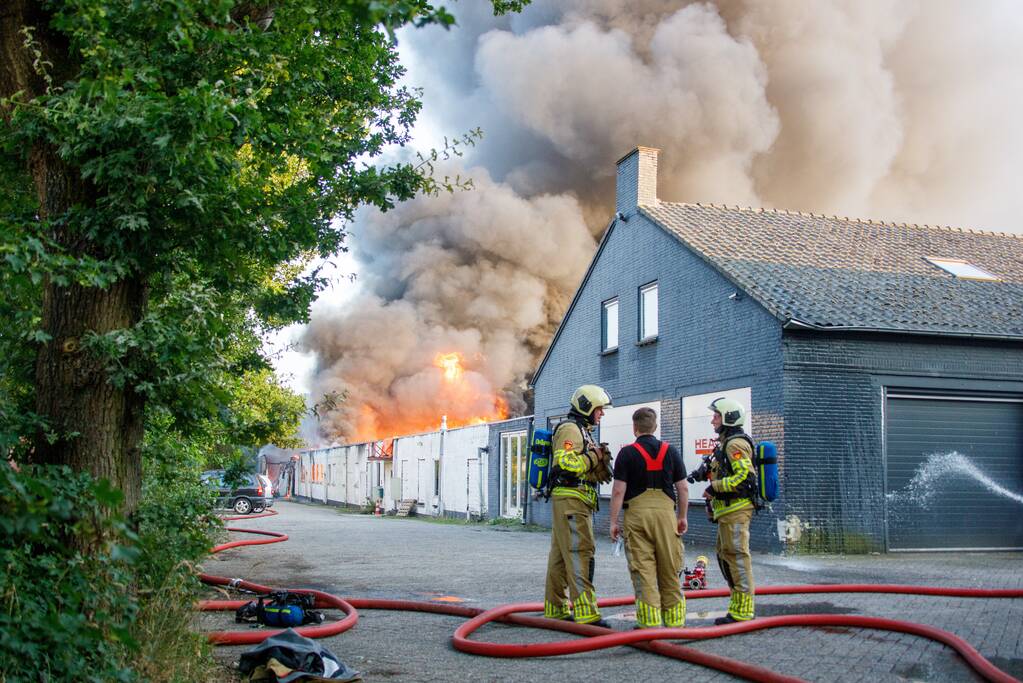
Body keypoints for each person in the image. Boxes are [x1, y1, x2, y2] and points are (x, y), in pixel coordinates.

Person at [608, 407, 689, 628]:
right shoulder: (670, 451)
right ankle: (675, 623)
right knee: (670, 570)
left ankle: (649, 624)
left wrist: (614, 522)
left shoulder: (626, 454)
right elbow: (682, 489)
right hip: (666, 517)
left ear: (635, 428)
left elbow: (617, 491)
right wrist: (682, 517)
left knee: (643, 570)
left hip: (637, 517)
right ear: (655, 427)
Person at [544, 384, 614, 626]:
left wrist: (595, 470)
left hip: (574, 500)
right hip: (571, 501)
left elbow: (579, 467)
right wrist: (594, 457)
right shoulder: (571, 430)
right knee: (580, 553)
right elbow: (566, 464)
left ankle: (555, 608)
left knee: (561, 557)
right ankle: (586, 612)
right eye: (599, 409)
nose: (601, 414)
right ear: (586, 407)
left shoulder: (581, 430)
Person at [703, 397, 756, 625]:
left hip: (737, 510)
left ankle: (743, 611)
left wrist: (714, 488)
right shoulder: (726, 443)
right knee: (726, 557)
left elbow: (744, 478)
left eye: (716, 416)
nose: (712, 420)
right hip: (727, 511)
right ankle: (737, 606)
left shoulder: (735, 445)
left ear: (727, 418)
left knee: (737, 557)